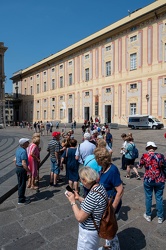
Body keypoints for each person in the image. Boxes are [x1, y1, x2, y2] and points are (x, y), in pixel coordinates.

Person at [65, 166, 107, 250]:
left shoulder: (92, 195)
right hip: (96, 228)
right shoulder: (100, 188)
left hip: (88, 234)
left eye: (81, 180)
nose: (80, 182)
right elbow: (92, 205)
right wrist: (79, 198)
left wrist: (72, 202)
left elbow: (80, 217)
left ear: (85, 180)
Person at [94, 147, 123, 250]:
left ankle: (115, 247)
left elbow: (120, 190)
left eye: (96, 158)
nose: (95, 160)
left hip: (111, 206)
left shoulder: (112, 171)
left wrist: (113, 208)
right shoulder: (104, 168)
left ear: (101, 160)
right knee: (108, 227)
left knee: (110, 228)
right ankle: (109, 246)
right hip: (106, 205)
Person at [138, 141, 166, 224]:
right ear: (154, 148)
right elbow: (164, 166)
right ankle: (160, 217)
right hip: (159, 179)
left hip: (148, 180)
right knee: (159, 198)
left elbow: (139, 166)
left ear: (147, 148)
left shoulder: (144, 156)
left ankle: (148, 215)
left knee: (148, 197)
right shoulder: (160, 156)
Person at [15, 138, 31, 204]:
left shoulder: (18, 149)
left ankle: (21, 196)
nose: (28, 143)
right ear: (24, 144)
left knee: (20, 183)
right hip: (22, 169)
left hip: (18, 168)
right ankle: (21, 200)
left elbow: (15, 159)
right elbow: (24, 163)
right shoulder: (23, 151)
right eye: (27, 142)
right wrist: (28, 171)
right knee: (22, 185)